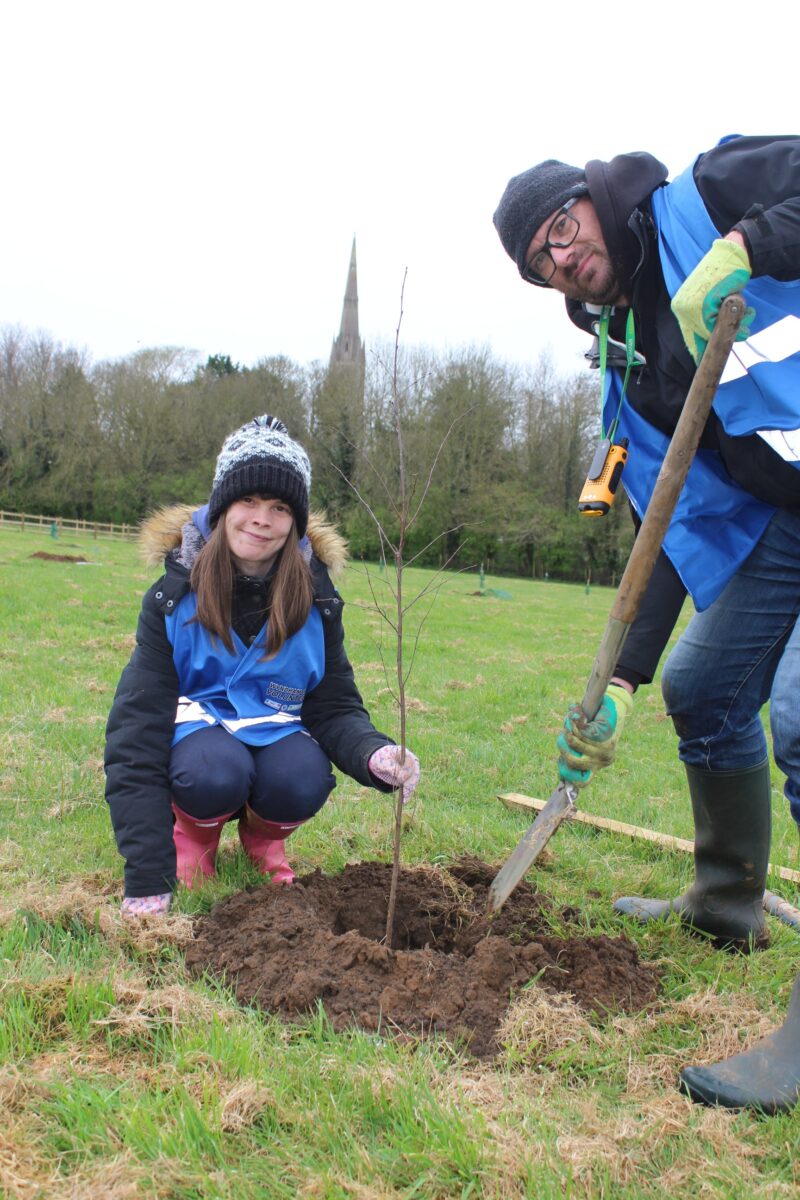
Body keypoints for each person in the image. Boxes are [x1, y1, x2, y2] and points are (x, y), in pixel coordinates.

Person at [494, 137, 800, 1112]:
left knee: (795, 717)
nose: (559, 256)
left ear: (589, 200)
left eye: (559, 228)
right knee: (700, 690)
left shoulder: (709, 191)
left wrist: (750, 245)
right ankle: (725, 906)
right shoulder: (624, 361)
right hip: (784, 519)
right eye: (538, 260)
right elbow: (664, 523)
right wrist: (618, 683)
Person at [105, 415, 420, 917]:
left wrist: (374, 753)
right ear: (222, 507)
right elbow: (135, 734)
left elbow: (333, 705)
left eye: (278, 507)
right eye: (248, 501)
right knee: (213, 770)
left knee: (303, 775)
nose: (261, 518)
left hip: (274, 735)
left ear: (295, 521)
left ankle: (263, 841)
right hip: (197, 746)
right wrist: (147, 872)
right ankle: (194, 839)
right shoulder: (171, 599)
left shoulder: (317, 600)